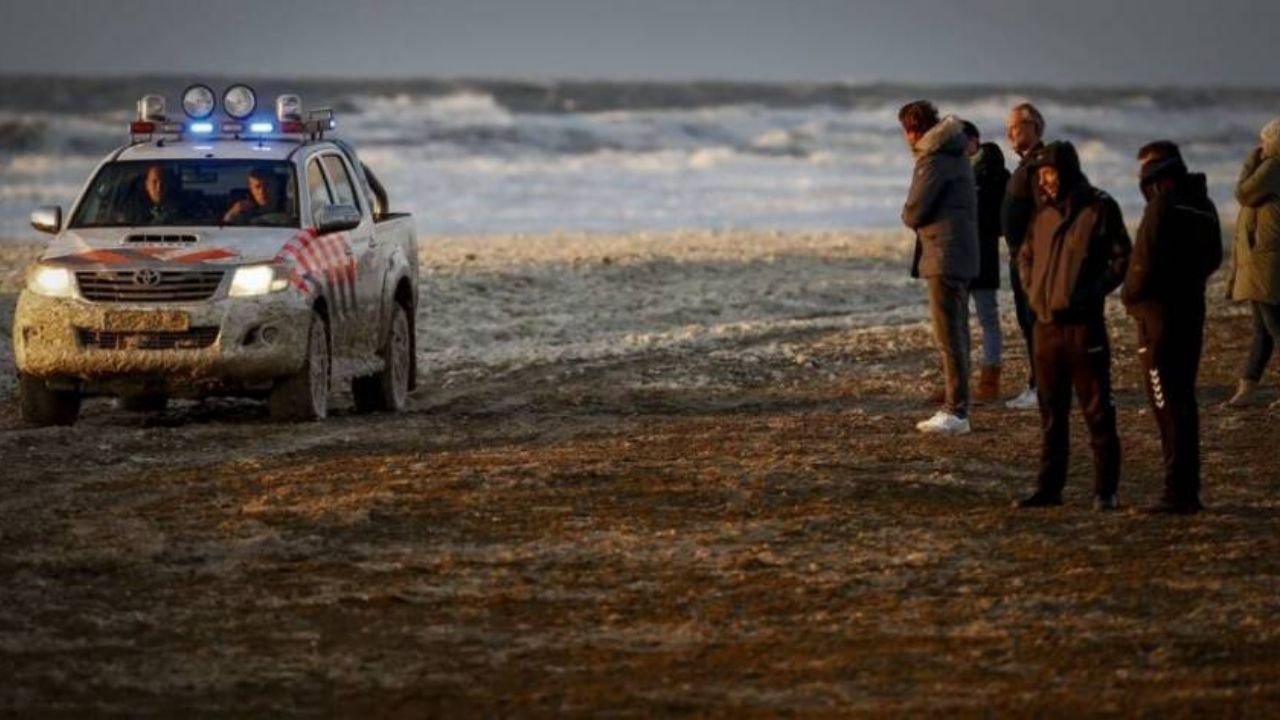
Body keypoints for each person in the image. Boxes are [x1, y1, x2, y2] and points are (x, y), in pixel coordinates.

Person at [1015, 141, 1130, 510]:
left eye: (1050, 173)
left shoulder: (1099, 207)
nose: (1045, 182)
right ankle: (1049, 489)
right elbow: (1026, 255)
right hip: (1045, 329)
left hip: (1084, 328)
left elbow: (1121, 258)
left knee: (1097, 411)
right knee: (1051, 413)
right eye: (1040, 175)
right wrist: (1034, 293)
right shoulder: (1041, 214)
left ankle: (1105, 491)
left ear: (1067, 171)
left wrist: (1088, 294)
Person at [1122, 141, 1222, 514]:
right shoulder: (1205, 205)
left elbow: (1141, 264)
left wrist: (1130, 299)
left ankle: (1176, 491)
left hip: (1157, 320)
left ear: (1157, 173)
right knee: (1184, 402)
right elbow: (1214, 258)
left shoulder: (1161, 206)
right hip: (1191, 311)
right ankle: (1187, 488)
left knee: (1166, 405)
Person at [898, 100, 980, 434]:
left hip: (944, 254)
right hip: (958, 252)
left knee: (950, 335)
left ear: (912, 129)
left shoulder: (933, 160)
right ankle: (958, 406)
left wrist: (907, 214)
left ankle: (956, 410)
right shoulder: (955, 154)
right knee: (957, 331)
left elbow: (913, 211)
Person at [1223, 117, 1280, 409]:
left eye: (1264, 141)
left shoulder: (1272, 167)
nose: (1260, 145)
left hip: (1266, 262)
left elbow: (1243, 192)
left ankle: (1248, 388)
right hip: (1265, 260)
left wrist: (1251, 160)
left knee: (1273, 326)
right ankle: (1248, 387)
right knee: (1263, 328)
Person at [1001, 103, 1047, 410]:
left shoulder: (1041, 164)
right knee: (1027, 323)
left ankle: (1040, 387)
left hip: (1033, 261)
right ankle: (1038, 383)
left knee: (1036, 325)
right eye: (1009, 128)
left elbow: (1047, 212)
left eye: (1018, 126)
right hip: (1021, 258)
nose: (1011, 132)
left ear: (1035, 128)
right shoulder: (1026, 164)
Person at [962, 120, 1009, 403]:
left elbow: (1004, 218)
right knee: (957, 322)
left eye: (962, 140)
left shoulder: (995, 173)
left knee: (987, 317)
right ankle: (958, 381)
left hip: (984, 254)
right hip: (959, 254)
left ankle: (990, 381)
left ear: (975, 140)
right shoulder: (955, 170)